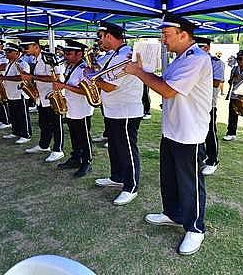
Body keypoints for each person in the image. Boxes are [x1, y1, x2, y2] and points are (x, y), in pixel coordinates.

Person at [125, 14, 212, 256]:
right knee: (170, 177)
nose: (163, 39)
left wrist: (138, 72)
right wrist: (143, 71)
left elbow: (167, 90)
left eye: (167, 34)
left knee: (190, 183)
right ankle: (173, 214)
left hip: (189, 132)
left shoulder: (197, 59)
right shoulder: (180, 59)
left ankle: (195, 228)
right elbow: (163, 82)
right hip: (173, 129)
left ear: (184, 34)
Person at [93, 21, 144, 206]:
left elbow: (109, 86)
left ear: (108, 36)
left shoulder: (125, 56)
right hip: (113, 109)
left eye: (101, 36)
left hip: (126, 111)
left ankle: (131, 187)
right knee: (114, 147)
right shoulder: (114, 54)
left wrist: (92, 78)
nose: (100, 41)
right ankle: (117, 177)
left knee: (127, 149)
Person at [19, 37, 65, 162]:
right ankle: (44, 145)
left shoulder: (49, 58)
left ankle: (58, 149)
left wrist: (32, 76)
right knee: (43, 123)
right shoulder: (36, 59)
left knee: (56, 124)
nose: (24, 50)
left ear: (35, 46)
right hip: (42, 97)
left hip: (52, 97)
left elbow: (56, 78)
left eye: (26, 47)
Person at [52, 40, 95, 177]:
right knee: (74, 136)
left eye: (68, 53)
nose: (65, 56)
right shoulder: (70, 67)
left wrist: (64, 87)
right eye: (65, 53)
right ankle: (76, 158)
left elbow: (85, 91)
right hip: (72, 107)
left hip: (82, 109)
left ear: (79, 54)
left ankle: (87, 162)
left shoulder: (84, 69)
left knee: (84, 136)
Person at [195, 36, 224, 176]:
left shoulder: (216, 63)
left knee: (210, 132)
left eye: (200, 47)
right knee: (196, 132)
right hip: (194, 104)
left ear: (207, 48)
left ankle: (213, 160)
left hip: (209, 104)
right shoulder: (192, 60)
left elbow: (216, 82)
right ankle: (202, 157)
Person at [1, 42, 31, 144]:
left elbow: (22, 77)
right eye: (6, 51)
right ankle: (16, 132)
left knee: (22, 115)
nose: (7, 53)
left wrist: (4, 78)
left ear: (17, 53)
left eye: (9, 52)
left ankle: (26, 134)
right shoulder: (10, 63)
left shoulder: (22, 63)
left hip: (20, 93)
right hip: (11, 93)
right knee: (13, 115)